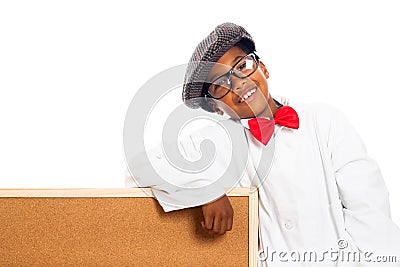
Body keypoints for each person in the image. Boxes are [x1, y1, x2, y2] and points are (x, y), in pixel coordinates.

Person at [126, 22, 400, 266]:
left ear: (263, 68)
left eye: (242, 66)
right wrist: (206, 191)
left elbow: (370, 209)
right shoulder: (217, 142)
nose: (239, 84)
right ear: (215, 107)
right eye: (221, 84)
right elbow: (141, 165)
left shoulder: (324, 121)